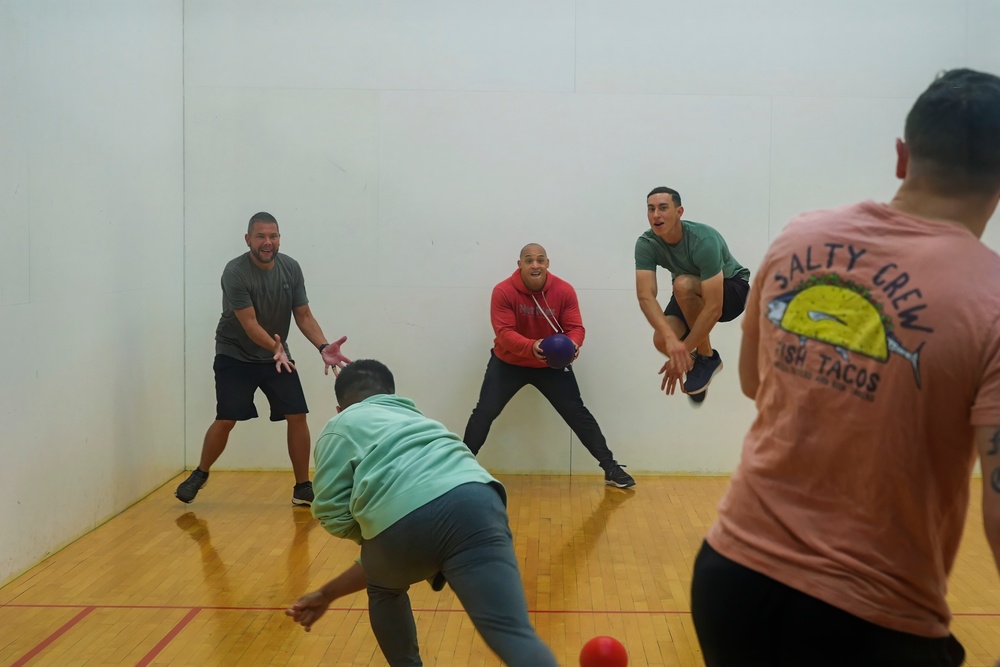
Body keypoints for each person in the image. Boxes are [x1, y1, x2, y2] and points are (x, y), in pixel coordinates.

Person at [689, 68, 1000, 667]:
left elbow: (754, 383)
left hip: (732, 580)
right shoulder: (992, 298)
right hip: (874, 623)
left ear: (902, 157)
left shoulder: (799, 237)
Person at [286, 359, 558, 667]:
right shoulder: (419, 419)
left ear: (340, 408)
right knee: (513, 633)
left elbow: (331, 511)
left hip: (401, 528)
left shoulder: (340, 425)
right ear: (391, 394)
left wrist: (377, 532)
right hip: (478, 498)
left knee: (385, 589)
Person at [175, 212, 350, 506]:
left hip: (277, 355)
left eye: (273, 236)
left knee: (297, 414)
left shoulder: (291, 268)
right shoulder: (235, 272)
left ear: (279, 238)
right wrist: (275, 348)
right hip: (235, 354)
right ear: (248, 240)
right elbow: (250, 323)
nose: (267, 243)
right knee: (227, 418)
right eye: (260, 237)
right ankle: (201, 473)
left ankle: (302, 487)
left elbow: (303, 314)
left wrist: (322, 346)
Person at [463, 243, 635, 488]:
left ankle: (610, 468)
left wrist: (573, 345)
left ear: (547, 264)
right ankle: (458, 469)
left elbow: (576, 328)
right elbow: (504, 333)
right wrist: (533, 347)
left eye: (540, 260)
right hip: (509, 361)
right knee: (484, 412)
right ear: (520, 264)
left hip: (551, 365)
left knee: (578, 414)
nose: (535, 265)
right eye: (529, 260)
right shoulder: (503, 291)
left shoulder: (563, 290)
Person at [635, 187, 750, 403]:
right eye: (651, 209)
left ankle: (706, 358)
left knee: (682, 283)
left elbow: (714, 308)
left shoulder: (703, 239)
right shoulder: (646, 244)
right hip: (689, 291)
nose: (656, 215)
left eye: (663, 208)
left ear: (679, 212)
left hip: (733, 290)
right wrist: (673, 343)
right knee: (661, 339)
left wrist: (683, 350)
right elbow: (645, 296)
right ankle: (700, 365)